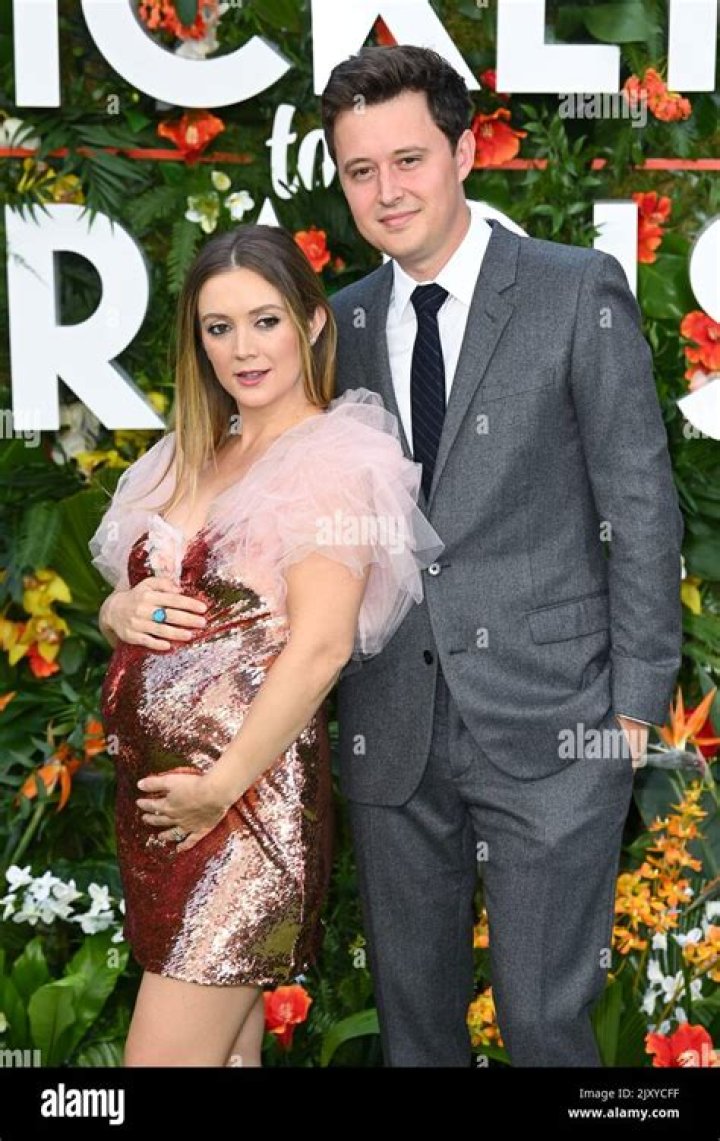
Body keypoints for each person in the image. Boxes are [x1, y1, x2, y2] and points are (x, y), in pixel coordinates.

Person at [320, 45, 684, 1066]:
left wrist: (633, 711)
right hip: (392, 723)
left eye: (408, 159)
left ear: (466, 151)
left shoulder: (573, 290)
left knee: (543, 1026)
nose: (387, 191)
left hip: (557, 721)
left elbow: (639, 505)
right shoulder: (340, 324)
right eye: (360, 170)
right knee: (415, 1035)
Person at [88, 223, 444, 1067]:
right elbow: (128, 596)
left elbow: (321, 647)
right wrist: (117, 610)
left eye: (265, 320)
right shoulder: (187, 454)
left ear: (312, 322)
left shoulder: (334, 460)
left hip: (241, 812)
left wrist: (218, 789)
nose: (243, 349)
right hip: (166, 811)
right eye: (220, 327)